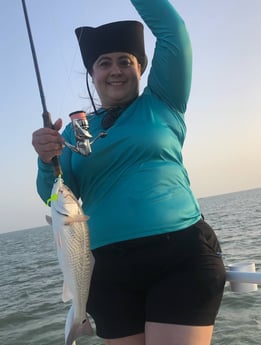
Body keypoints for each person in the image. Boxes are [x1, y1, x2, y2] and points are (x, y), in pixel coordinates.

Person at [32, 0, 226, 344]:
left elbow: (174, 33)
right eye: (104, 63)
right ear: (92, 76)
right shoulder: (72, 133)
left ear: (142, 68)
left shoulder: (162, 101)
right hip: (107, 272)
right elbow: (56, 195)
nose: (116, 70)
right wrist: (47, 160)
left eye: (126, 61)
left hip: (179, 256)